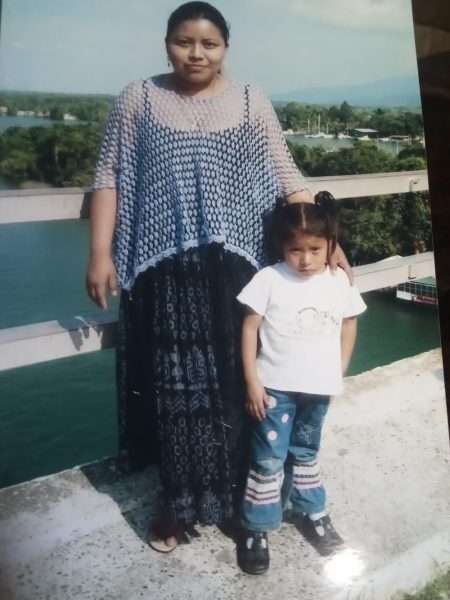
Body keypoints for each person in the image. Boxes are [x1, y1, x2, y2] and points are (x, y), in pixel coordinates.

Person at [86, 1, 351, 552]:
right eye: (185, 42)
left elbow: (285, 172)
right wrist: (100, 252)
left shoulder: (252, 100)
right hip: (166, 268)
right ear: (167, 43)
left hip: (238, 267)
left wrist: (334, 246)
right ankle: (177, 505)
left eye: (209, 44)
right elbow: (108, 174)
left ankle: (237, 499)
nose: (196, 53)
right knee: (175, 390)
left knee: (240, 386)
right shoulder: (139, 97)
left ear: (225, 47)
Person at [236, 193, 366, 575]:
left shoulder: (337, 280)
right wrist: (252, 382)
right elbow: (249, 329)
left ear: (330, 246)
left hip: (317, 390)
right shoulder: (269, 278)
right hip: (273, 389)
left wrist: (337, 370)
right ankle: (256, 527)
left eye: (315, 249)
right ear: (281, 246)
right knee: (268, 459)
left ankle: (313, 512)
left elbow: (349, 323)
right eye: (295, 249)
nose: (305, 260)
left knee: (307, 452)